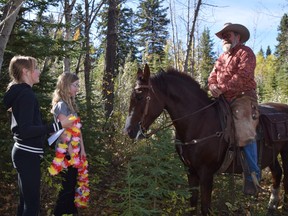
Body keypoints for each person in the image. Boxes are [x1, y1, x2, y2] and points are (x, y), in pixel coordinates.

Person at [2, 56, 74, 216]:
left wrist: (48, 132)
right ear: (25, 72)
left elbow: (27, 127)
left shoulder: (21, 93)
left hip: (24, 152)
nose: (39, 71)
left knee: (25, 203)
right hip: (27, 155)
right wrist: (59, 125)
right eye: (36, 68)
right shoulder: (26, 95)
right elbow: (26, 130)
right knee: (32, 207)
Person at [208, 23, 261, 195]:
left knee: (244, 129)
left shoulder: (246, 53)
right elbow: (212, 76)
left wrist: (221, 87)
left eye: (227, 34)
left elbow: (243, 75)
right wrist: (212, 87)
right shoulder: (221, 58)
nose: (224, 37)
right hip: (223, 98)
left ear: (237, 36)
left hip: (243, 97)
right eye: (222, 35)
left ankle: (253, 176)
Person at [51, 72, 87, 216]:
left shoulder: (71, 105)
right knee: (66, 190)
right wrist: (72, 155)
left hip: (75, 152)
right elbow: (64, 133)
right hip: (66, 154)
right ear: (66, 86)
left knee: (71, 188)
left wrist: (82, 151)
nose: (77, 88)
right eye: (75, 85)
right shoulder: (61, 106)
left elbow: (78, 131)